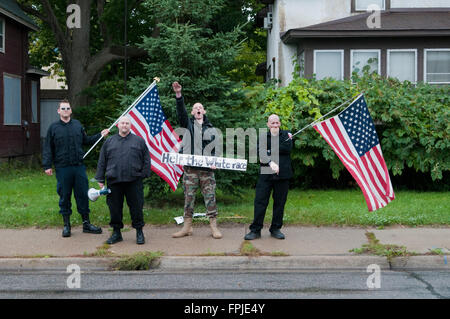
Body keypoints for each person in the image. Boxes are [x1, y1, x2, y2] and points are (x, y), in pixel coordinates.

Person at [43, 100, 109, 238]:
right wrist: (47, 165)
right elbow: (48, 147)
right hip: (63, 168)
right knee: (64, 195)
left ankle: (86, 224)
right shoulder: (53, 128)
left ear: (71, 111)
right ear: (58, 111)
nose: (66, 110)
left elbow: (86, 141)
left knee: (82, 195)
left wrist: (100, 135)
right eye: (63, 108)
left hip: (78, 167)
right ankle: (66, 225)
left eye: (68, 108)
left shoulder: (77, 125)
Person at [171, 81, 222, 239]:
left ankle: (214, 227)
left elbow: (216, 149)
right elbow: (180, 112)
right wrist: (179, 95)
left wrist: (214, 161)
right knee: (188, 197)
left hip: (207, 172)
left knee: (210, 197)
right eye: (195, 108)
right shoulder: (187, 125)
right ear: (192, 113)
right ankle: (187, 228)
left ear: (204, 111)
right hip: (190, 170)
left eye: (200, 107)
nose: (198, 109)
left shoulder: (212, 129)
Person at [95, 115, 151, 245]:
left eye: (127, 123)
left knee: (136, 207)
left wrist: (142, 175)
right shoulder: (109, 141)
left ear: (130, 125)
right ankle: (116, 233)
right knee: (114, 208)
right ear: (118, 125)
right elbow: (102, 161)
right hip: (114, 181)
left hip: (134, 181)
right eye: (122, 123)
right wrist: (100, 178)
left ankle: (139, 232)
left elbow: (146, 160)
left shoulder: (139, 141)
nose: (124, 125)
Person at [244, 114, 293, 240]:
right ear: (268, 124)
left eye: (277, 123)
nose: (275, 125)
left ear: (280, 124)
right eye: (272, 123)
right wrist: (270, 160)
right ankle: (255, 230)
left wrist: (269, 151)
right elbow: (260, 152)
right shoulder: (263, 137)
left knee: (279, 203)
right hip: (266, 172)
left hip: (283, 174)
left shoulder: (287, 135)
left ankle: (275, 229)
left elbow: (287, 149)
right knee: (260, 202)